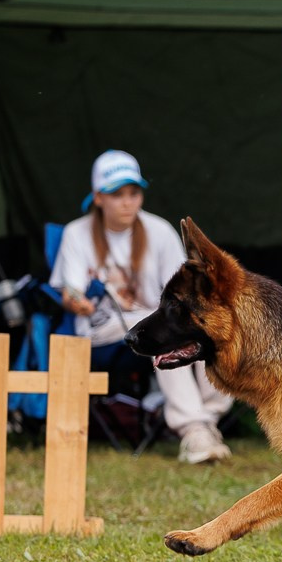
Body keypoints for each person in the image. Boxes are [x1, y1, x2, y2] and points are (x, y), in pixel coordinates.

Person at [52, 150, 234, 464]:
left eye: (134, 193)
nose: (127, 202)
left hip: (151, 322)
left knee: (210, 337)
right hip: (102, 333)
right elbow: (71, 291)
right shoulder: (76, 234)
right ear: (98, 198)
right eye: (117, 194)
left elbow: (182, 292)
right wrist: (75, 301)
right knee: (162, 338)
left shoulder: (159, 231)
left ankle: (203, 423)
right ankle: (194, 430)